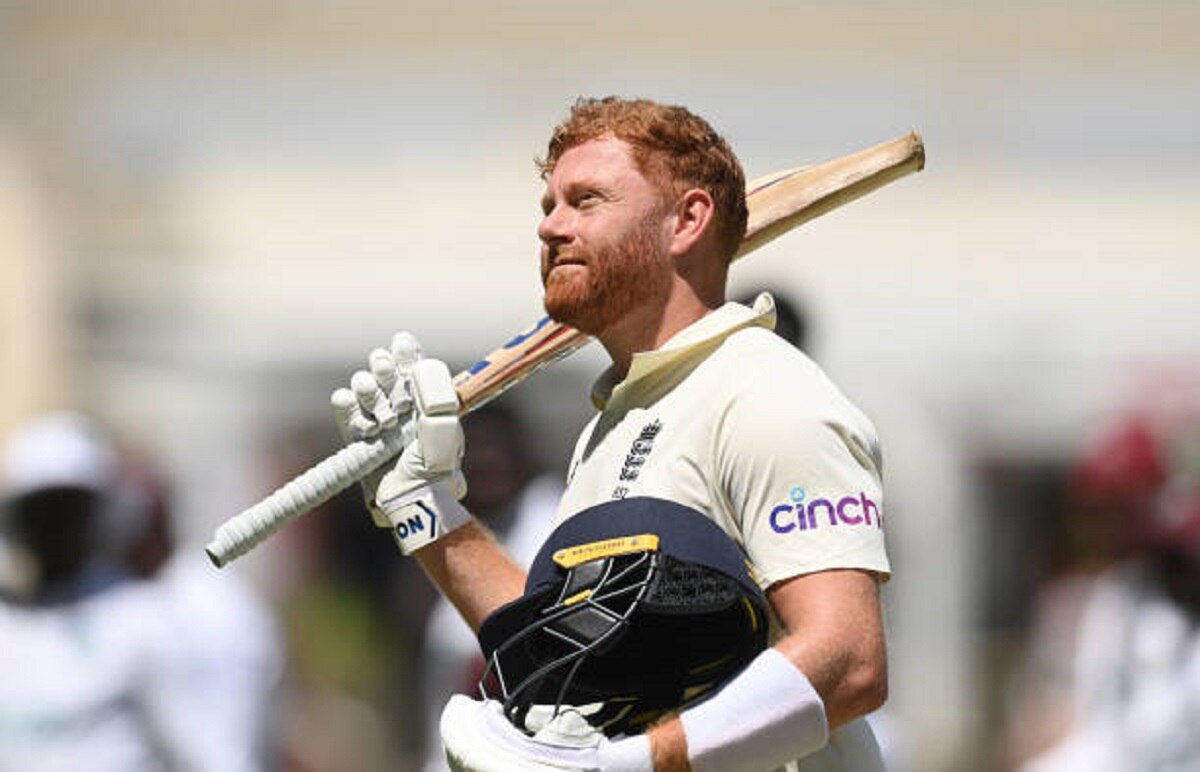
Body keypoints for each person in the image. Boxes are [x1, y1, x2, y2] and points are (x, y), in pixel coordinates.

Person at [332, 96, 890, 771]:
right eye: (548, 208)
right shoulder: (613, 421)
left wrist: (629, 765)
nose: (551, 229)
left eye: (586, 201)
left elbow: (850, 660)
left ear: (687, 220)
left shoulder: (766, 394)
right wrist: (421, 508)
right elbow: (571, 660)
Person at [419, 401, 562, 772]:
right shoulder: (454, 535)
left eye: (494, 448)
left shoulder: (553, 520)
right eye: (473, 452)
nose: (485, 463)